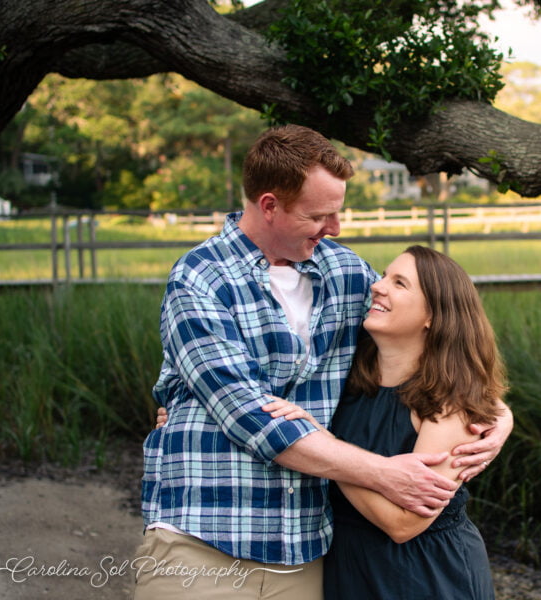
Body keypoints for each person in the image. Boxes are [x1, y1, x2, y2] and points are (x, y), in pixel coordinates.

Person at [136, 124, 513, 599]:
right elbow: (253, 418)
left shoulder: (345, 271)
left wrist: (496, 416)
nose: (335, 228)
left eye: (337, 213)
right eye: (320, 215)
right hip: (208, 537)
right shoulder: (199, 279)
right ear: (270, 205)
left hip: (306, 549)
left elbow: (434, 329)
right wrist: (380, 472)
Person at [262, 245, 507, 599]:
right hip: (348, 568)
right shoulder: (346, 379)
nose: (378, 286)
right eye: (383, 276)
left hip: (425, 576)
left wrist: (319, 447)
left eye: (400, 283)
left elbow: (403, 523)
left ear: (433, 317)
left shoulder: (450, 404)